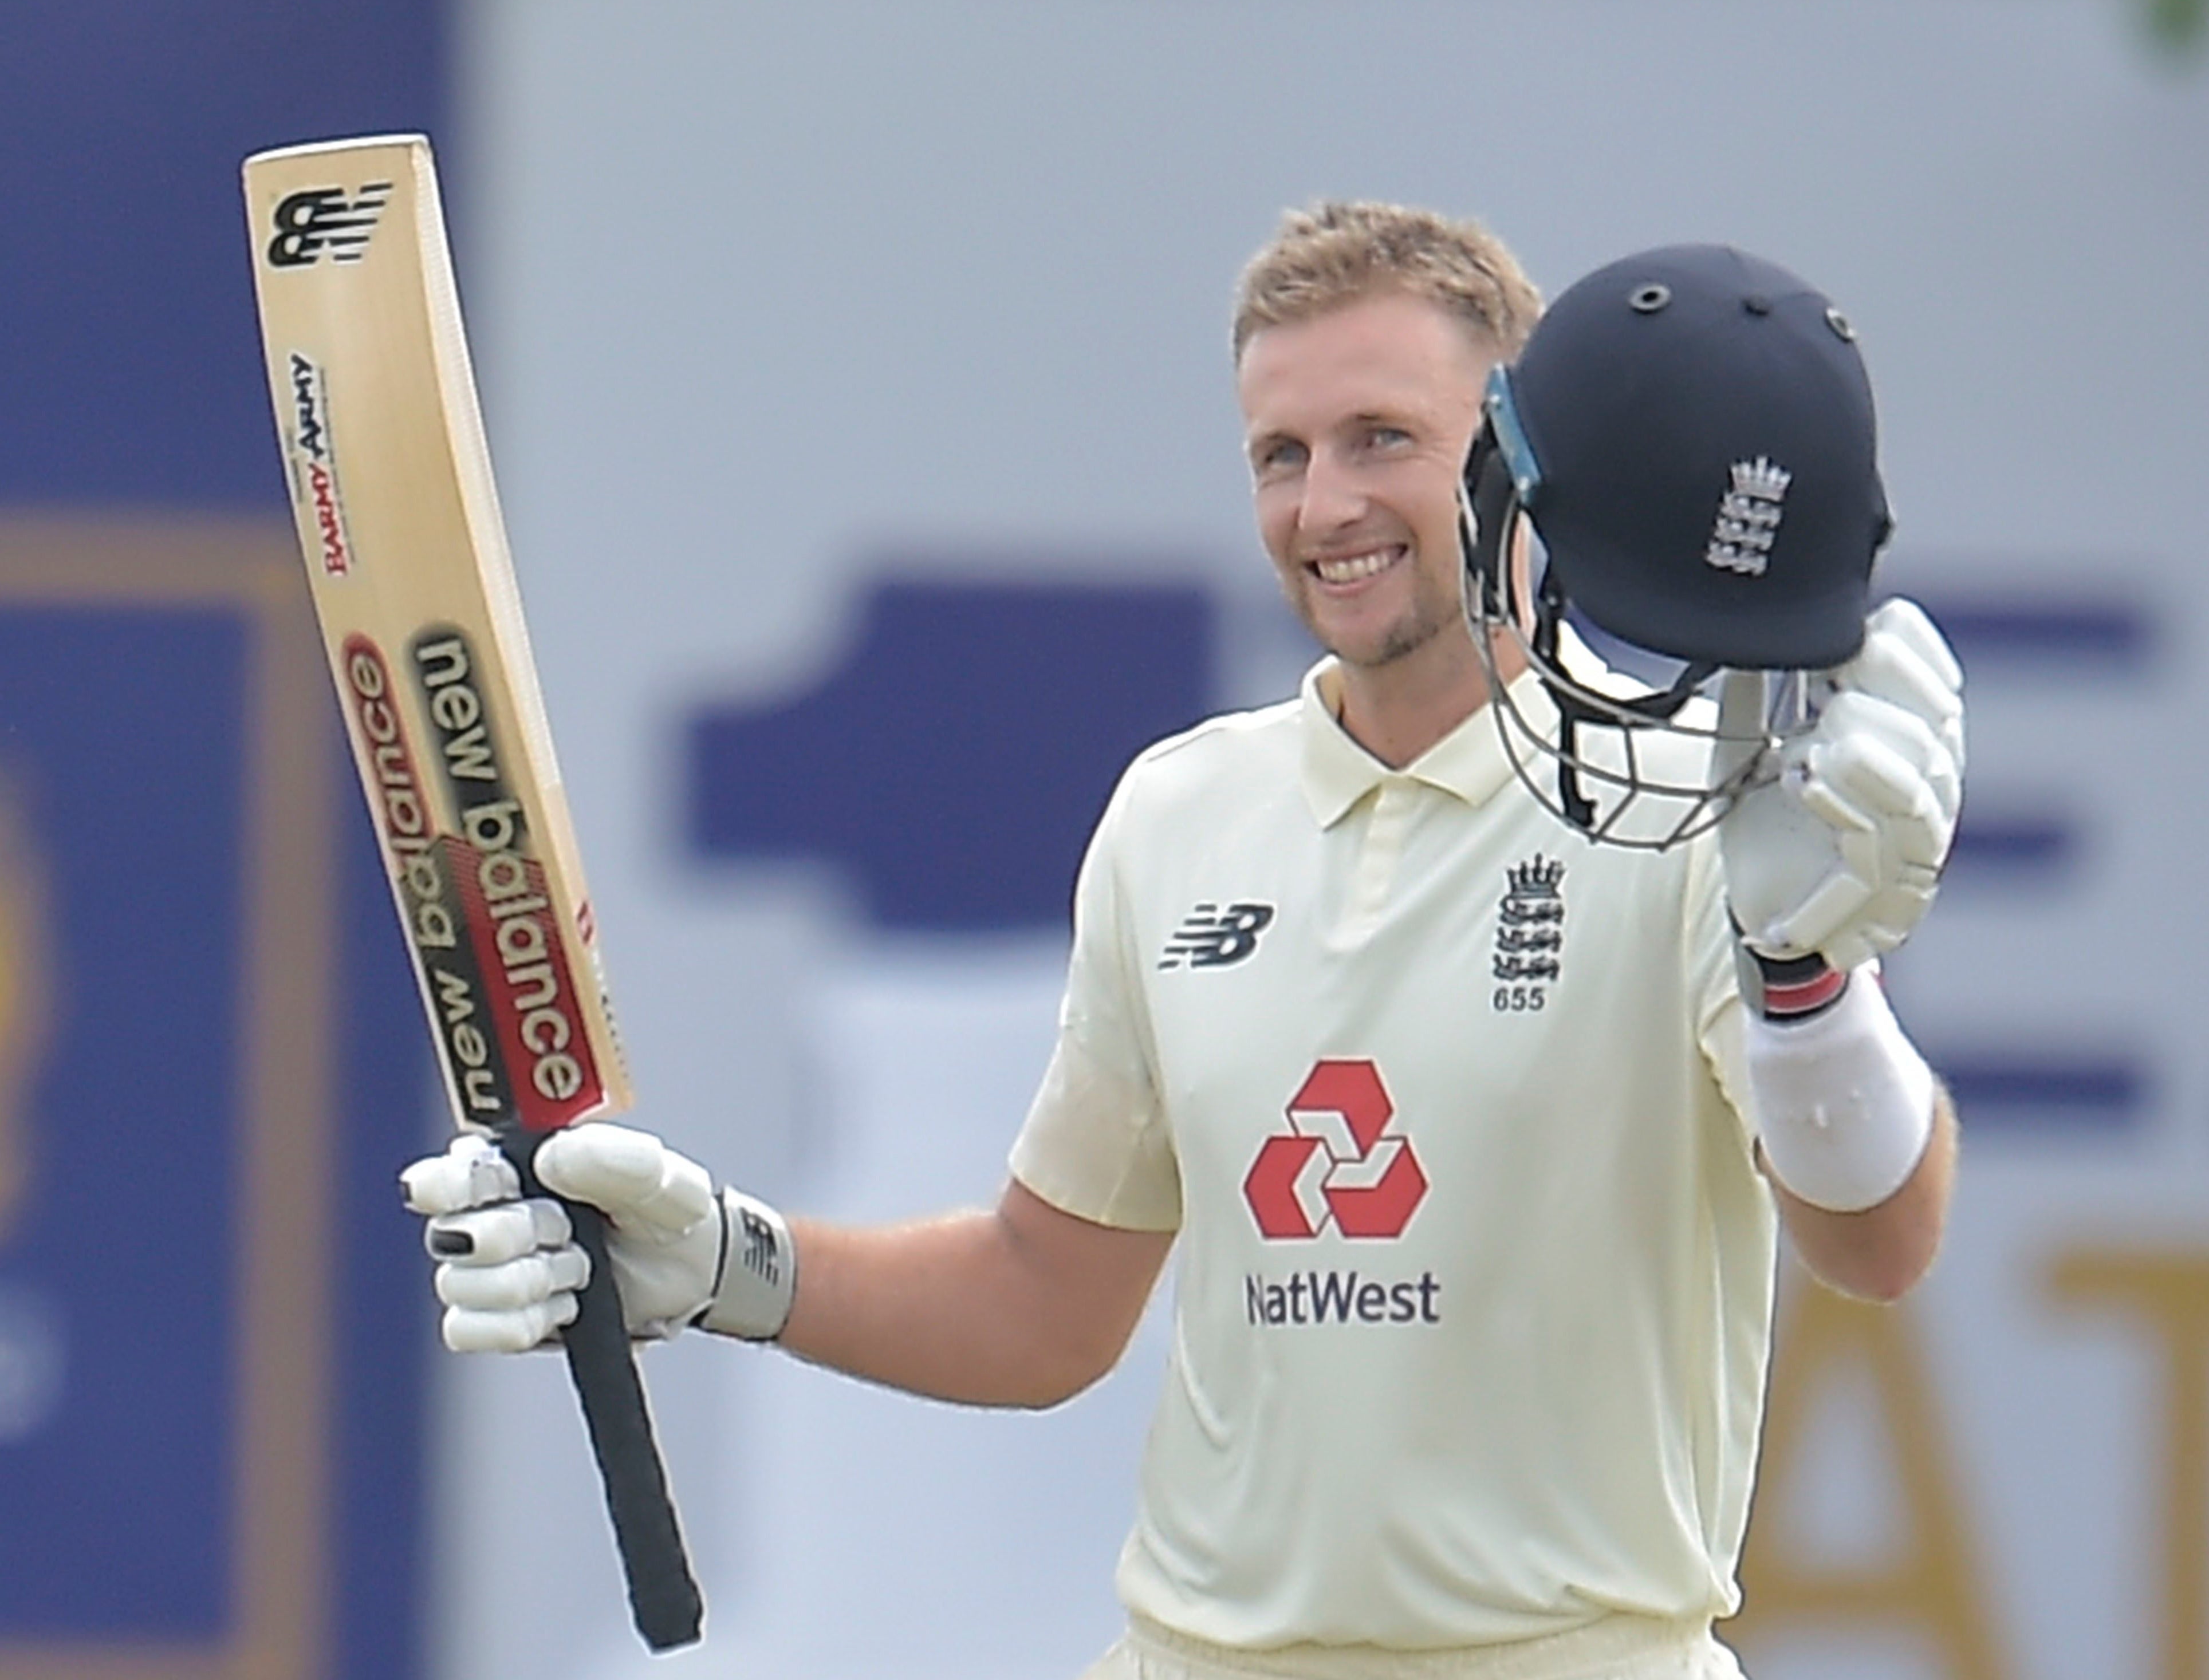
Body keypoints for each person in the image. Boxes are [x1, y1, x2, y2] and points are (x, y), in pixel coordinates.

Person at [404, 202, 1965, 1679]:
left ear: (1513, 467)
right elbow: (1043, 1299)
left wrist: (1805, 985)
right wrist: (730, 1267)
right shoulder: (1180, 813)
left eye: (1382, 441)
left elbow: (1879, 1240)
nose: (1325, 505)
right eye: (1279, 454)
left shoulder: (1699, 807)